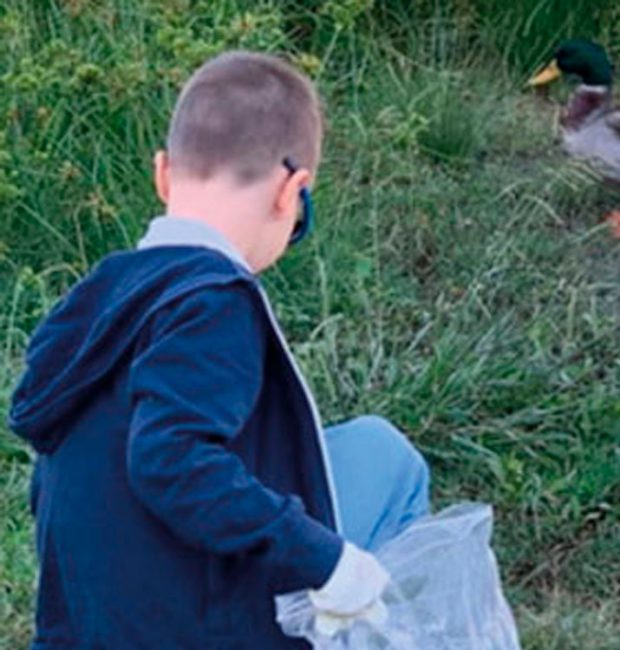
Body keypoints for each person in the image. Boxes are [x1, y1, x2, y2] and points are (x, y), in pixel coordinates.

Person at [7, 50, 430, 649]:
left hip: (88, 624)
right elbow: (167, 458)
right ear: (292, 192)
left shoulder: (100, 296)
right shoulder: (212, 301)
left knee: (354, 447)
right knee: (389, 459)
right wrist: (329, 564)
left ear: (162, 175)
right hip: (192, 625)